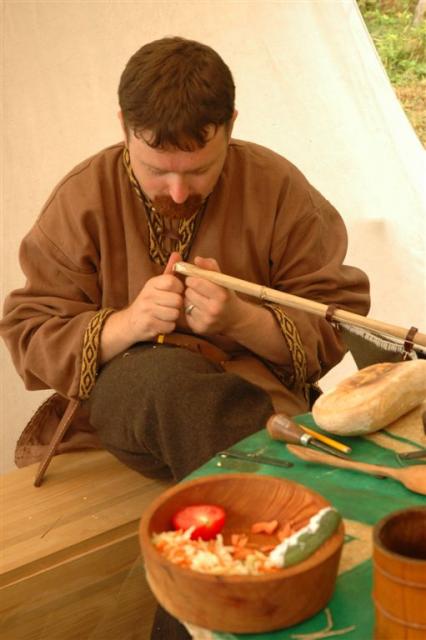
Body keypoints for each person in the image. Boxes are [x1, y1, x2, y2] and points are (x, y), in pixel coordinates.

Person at [1, 36, 370, 638]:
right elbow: (29, 330)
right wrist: (128, 324)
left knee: (214, 411)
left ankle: (213, 598)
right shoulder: (82, 197)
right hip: (130, 397)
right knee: (169, 380)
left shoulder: (277, 186)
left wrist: (240, 320)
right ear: (124, 127)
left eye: (199, 170)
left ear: (231, 126)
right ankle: (265, 548)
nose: (177, 192)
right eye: (155, 170)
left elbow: (337, 317)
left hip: (253, 401)